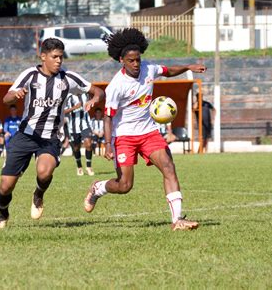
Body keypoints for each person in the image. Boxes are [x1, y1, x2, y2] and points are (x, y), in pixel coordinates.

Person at [83, 28, 207, 231]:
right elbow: (107, 116)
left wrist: (187, 67)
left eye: (138, 59)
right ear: (121, 60)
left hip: (149, 132)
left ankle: (177, 220)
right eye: (131, 60)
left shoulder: (149, 69)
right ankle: (98, 188)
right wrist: (108, 145)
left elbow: (168, 72)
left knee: (168, 167)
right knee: (125, 186)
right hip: (123, 137)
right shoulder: (117, 85)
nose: (135, 64)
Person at [0, 38, 104, 229]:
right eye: (54, 57)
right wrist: (17, 94)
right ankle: (3, 214)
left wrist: (93, 100)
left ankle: (38, 195)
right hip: (25, 135)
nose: (59, 61)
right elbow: (6, 98)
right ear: (43, 57)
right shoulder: (29, 75)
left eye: (61, 57)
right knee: (6, 186)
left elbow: (98, 92)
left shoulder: (68, 77)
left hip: (50, 138)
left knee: (44, 173)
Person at [65, 93, 95, 176]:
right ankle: (79, 167)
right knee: (76, 148)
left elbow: (93, 98)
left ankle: (89, 167)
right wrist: (75, 107)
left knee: (89, 144)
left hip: (85, 124)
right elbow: (63, 111)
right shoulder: (68, 96)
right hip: (73, 126)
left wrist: (91, 101)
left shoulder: (86, 94)